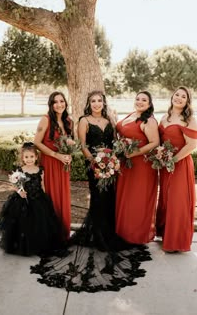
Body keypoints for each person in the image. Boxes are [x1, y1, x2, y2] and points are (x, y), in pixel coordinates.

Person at [31, 90, 152, 293]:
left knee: (110, 199)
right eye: (93, 101)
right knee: (98, 198)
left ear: (104, 103)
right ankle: (97, 236)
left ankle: (108, 234)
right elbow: (83, 146)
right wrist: (96, 162)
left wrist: (111, 160)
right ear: (89, 103)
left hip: (111, 166)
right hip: (94, 166)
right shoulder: (83, 120)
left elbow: (114, 143)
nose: (96, 104)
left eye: (99, 101)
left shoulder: (109, 119)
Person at [0, 142, 60, 256]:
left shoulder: (40, 170)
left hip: (38, 199)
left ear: (36, 157)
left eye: (32, 157)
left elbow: (42, 185)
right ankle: (23, 245)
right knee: (23, 224)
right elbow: (14, 184)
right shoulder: (20, 170)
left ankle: (38, 244)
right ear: (22, 158)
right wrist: (19, 191)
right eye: (26, 157)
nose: (29, 159)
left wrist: (45, 198)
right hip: (23, 200)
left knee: (39, 223)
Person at [156, 86, 197, 252]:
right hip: (165, 165)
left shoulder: (189, 120)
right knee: (166, 199)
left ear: (187, 101)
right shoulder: (164, 118)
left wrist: (173, 160)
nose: (179, 98)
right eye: (177, 95)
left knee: (178, 201)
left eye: (183, 96)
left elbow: (191, 145)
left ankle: (176, 242)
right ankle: (167, 234)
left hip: (180, 164)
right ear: (172, 97)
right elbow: (159, 140)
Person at [116, 90, 160, 244]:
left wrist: (133, 153)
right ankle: (123, 231)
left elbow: (154, 142)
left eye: (144, 100)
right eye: (138, 99)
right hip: (126, 164)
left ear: (149, 104)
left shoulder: (149, 121)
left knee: (137, 198)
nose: (140, 102)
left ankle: (135, 235)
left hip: (141, 165)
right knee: (125, 197)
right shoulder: (131, 115)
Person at [34, 91, 73, 241]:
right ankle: (51, 234)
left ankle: (63, 233)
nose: (59, 104)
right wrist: (56, 155)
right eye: (55, 102)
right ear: (51, 105)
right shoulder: (45, 120)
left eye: (62, 101)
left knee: (63, 197)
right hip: (50, 162)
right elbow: (37, 142)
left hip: (64, 165)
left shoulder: (69, 121)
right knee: (52, 197)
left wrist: (69, 153)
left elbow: (69, 143)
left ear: (65, 103)